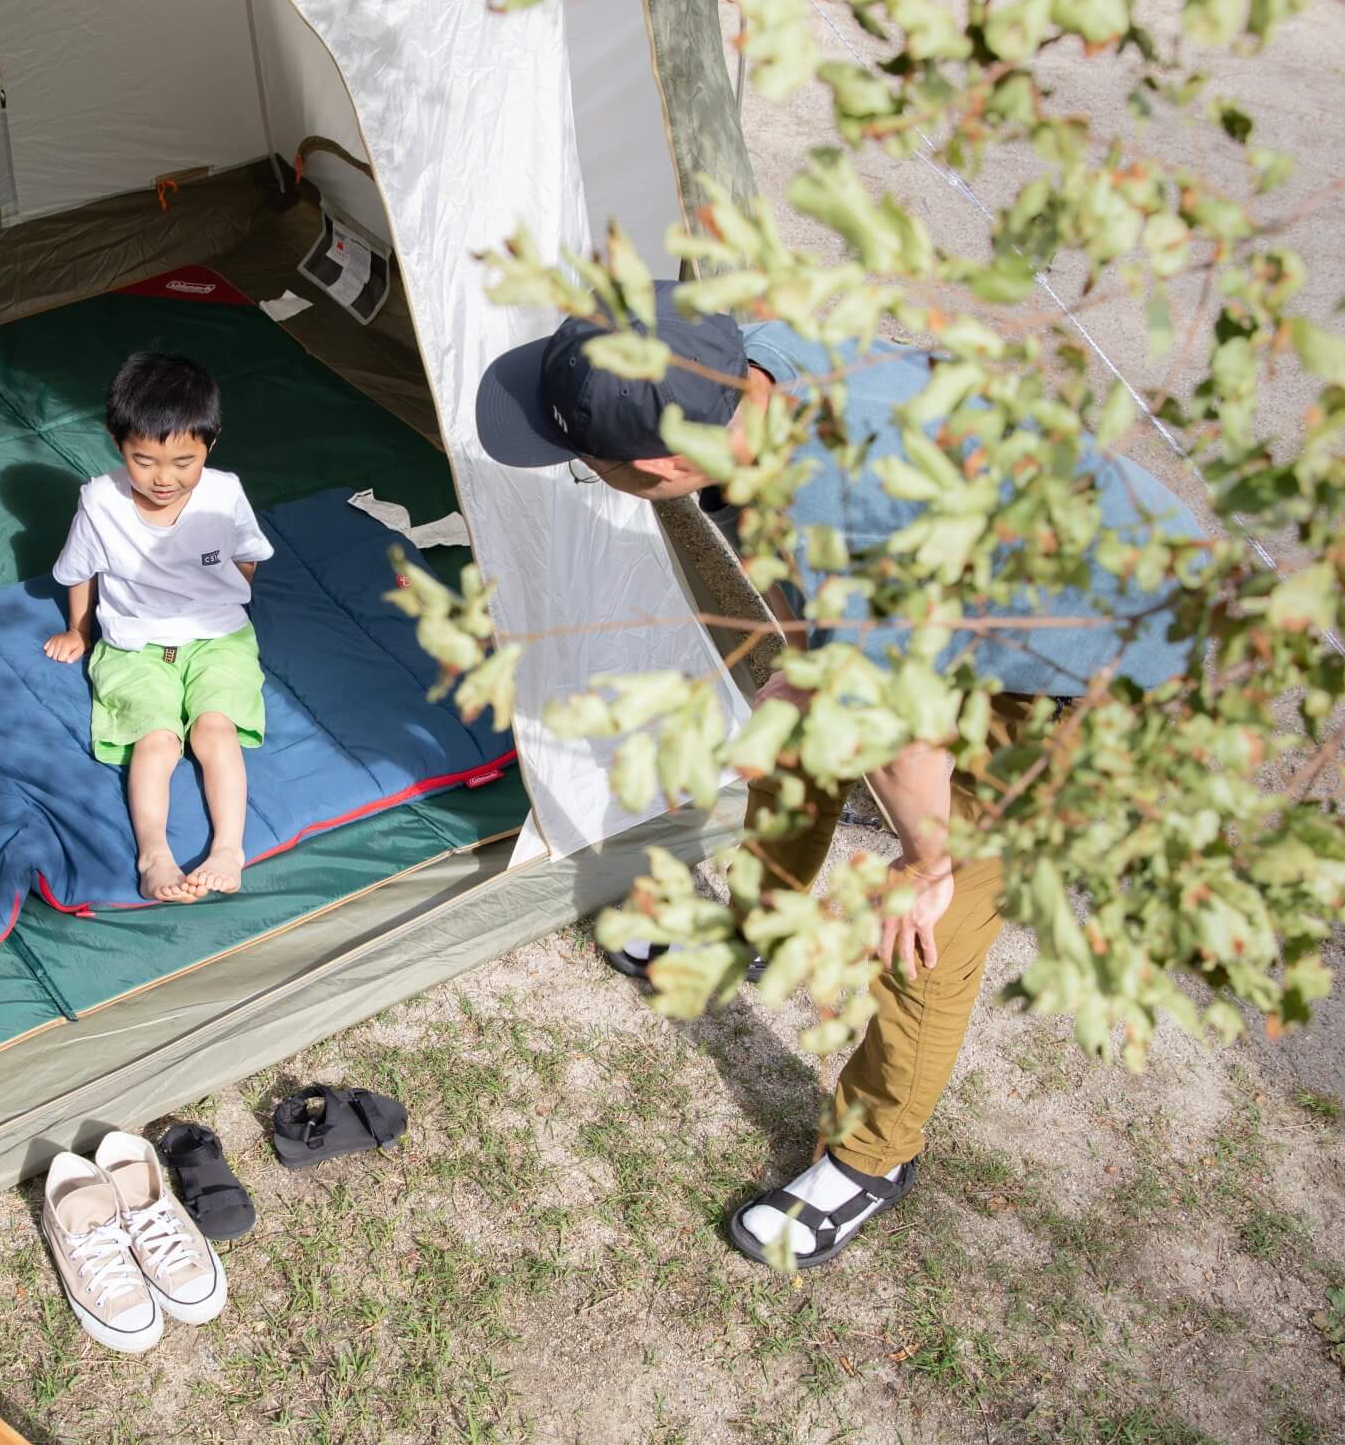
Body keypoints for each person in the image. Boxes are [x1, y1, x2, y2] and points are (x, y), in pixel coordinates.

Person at [474, 282, 1199, 1269]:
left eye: (594, 472)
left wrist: (926, 854)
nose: (593, 481)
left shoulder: (852, 511)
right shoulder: (755, 364)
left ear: (663, 465)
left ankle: (872, 1156)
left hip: (1106, 665)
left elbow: (900, 730)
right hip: (986, 589)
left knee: (929, 925)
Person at [43, 352, 274, 902]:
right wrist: (81, 631)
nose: (163, 478)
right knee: (157, 740)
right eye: (144, 461)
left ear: (209, 445)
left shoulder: (224, 492)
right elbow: (82, 570)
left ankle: (228, 849)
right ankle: (155, 852)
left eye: (183, 462)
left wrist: (225, 598)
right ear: (117, 443)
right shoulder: (100, 502)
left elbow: (247, 554)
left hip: (218, 635)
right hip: (134, 643)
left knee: (214, 729)